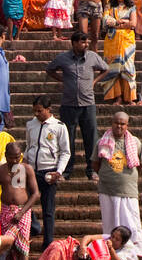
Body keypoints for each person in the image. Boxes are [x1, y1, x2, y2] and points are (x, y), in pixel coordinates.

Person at [46, 30, 107, 180]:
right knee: (67, 139)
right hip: (69, 104)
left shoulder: (92, 57)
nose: (85, 45)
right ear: (73, 43)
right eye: (82, 42)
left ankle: (92, 170)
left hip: (88, 103)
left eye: (86, 42)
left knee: (91, 138)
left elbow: (106, 69)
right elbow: (50, 69)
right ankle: (66, 171)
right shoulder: (63, 58)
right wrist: (62, 80)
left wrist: (94, 82)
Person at [92, 110, 142, 260]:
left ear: (127, 125)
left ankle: (140, 256)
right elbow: (95, 164)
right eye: (117, 123)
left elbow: (140, 164)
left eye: (123, 124)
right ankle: (110, 256)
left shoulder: (135, 142)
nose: (119, 126)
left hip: (128, 191)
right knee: (110, 225)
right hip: (107, 190)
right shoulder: (102, 142)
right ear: (112, 123)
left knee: (133, 224)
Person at [0, 140, 40, 260]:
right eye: (11, 157)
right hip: (5, 211)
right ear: (6, 156)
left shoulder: (27, 169)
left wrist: (21, 212)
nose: (14, 160)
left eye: (17, 157)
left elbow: (35, 194)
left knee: (23, 249)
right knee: (7, 248)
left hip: (23, 212)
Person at [25, 95, 70, 248]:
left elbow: (65, 151)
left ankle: (48, 241)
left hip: (49, 170)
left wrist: (59, 170)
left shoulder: (59, 126)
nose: (37, 114)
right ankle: (33, 227)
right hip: (32, 169)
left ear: (48, 109)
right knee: (24, 201)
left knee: (48, 208)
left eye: (39, 111)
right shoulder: (31, 124)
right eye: (35, 111)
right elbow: (29, 145)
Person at [101, 0, 137, 104]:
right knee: (114, 68)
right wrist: (121, 22)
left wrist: (116, 23)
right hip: (112, 41)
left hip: (127, 41)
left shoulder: (131, 7)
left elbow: (133, 24)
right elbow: (106, 21)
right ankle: (118, 97)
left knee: (128, 68)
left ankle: (130, 97)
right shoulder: (109, 6)